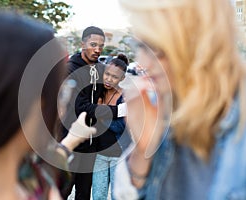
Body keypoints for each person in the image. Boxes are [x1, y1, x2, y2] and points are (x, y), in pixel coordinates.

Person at [0, 11, 96, 200]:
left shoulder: (21, 177)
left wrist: (72, 139)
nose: (62, 109)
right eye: (61, 92)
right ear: (34, 104)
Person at [113, 0, 246, 199]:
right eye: (140, 46)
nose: (143, 63)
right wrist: (142, 153)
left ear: (201, 40)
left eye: (156, 47)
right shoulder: (166, 112)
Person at [61, 26, 127, 200]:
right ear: (83, 44)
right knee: (63, 191)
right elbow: (80, 107)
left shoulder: (99, 69)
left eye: (101, 45)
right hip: (72, 141)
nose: (98, 49)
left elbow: (110, 86)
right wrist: (117, 111)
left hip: (91, 145)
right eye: (93, 44)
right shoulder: (70, 70)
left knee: (84, 193)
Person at [92, 54, 132, 200]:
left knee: (118, 196)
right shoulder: (98, 92)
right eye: (107, 74)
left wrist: (102, 116)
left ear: (121, 79)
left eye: (114, 77)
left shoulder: (125, 97)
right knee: (98, 196)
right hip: (99, 155)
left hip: (119, 156)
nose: (109, 79)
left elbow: (120, 127)